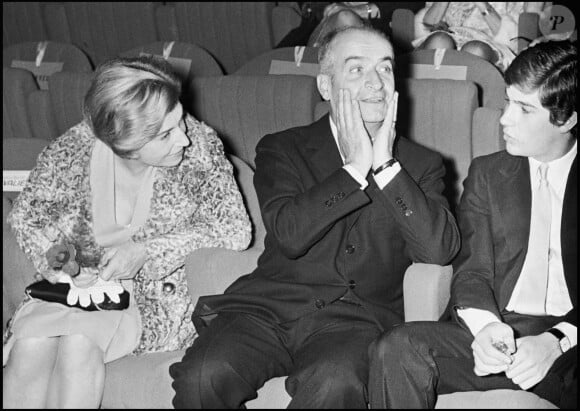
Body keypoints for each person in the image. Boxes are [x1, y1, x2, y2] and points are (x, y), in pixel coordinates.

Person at [169, 25, 460, 408]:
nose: (376, 83)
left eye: (386, 69)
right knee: (203, 376)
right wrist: (354, 169)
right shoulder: (283, 148)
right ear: (326, 86)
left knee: (335, 383)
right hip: (270, 308)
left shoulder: (420, 165)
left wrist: (386, 167)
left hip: (356, 321)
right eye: (357, 70)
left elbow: (439, 250)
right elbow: (289, 234)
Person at [2, 56, 252, 408]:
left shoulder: (201, 149)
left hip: (149, 297)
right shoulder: (71, 151)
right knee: (30, 345)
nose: (183, 138)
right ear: (123, 142)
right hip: (73, 292)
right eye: (165, 135)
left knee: (78, 341)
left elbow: (235, 230)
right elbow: (29, 217)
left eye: (179, 119)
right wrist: (63, 264)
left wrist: (148, 251)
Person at [369, 40, 577, 409]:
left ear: (567, 119)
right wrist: (487, 329)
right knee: (397, 347)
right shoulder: (488, 173)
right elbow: (472, 271)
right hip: (501, 330)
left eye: (525, 109)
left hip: (571, 342)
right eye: (508, 102)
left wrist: (558, 340)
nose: (504, 119)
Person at [413, 2, 546, 71]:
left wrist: (481, 4)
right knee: (438, 41)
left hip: (490, 44)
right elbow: (428, 25)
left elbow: (512, 36)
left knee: (475, 50)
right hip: (451, 35)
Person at [276, 2, 425, 50]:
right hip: (323, 26)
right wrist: (327, 9)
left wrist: (366, 9)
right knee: (343, 18)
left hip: (374, 31)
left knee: (346, 18)